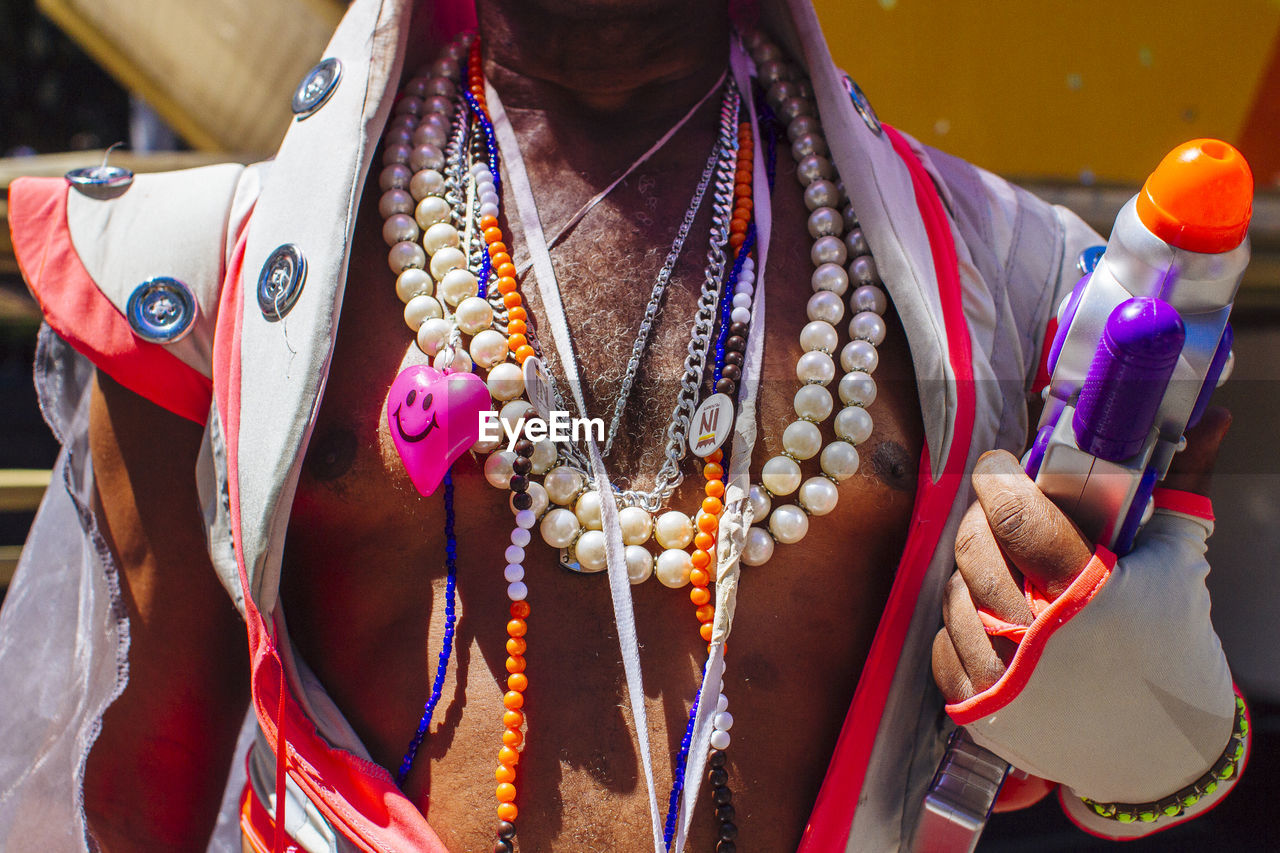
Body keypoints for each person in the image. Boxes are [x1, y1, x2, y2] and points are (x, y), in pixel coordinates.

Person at [0, 0, 1246, 850]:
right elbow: (126, 790)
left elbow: (1163, 768)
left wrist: (1103, 667)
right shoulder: (210, 275)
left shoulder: (1018, 284)